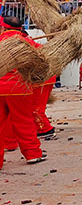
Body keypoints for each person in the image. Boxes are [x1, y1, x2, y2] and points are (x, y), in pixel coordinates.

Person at [0, 16, 46, 168]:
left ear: (4, 28)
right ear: (20, 28)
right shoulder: (26, 42)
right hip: (20, 89)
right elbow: (42, 58)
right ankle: (32, 154)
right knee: (24, 122)